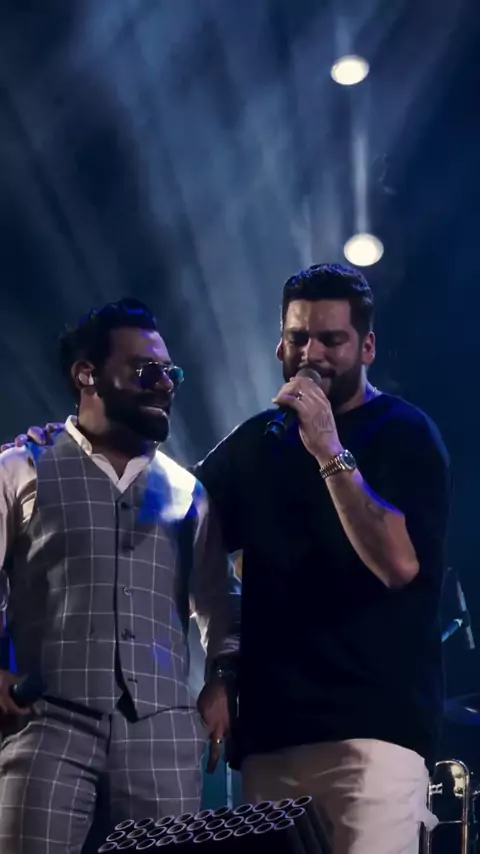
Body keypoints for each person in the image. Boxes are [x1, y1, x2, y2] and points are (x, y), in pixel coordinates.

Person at [7, 265, 451, 854]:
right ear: (280, 345)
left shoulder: (404, 432)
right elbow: (164, 513)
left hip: (372, 737)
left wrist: (328, 446)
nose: (311, 354)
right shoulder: (257, 442)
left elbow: (399, 564)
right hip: (269, 741)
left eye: (332, 339)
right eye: (298, 338)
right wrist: (63, 447)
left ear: (366, 347)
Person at [0, 298, 241, 854]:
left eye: (170, 372)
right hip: (45, 726)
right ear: (87, 374)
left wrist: (223, 679)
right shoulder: (22, 466)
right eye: (146, 371)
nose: (165, 384)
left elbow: (220, 600)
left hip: (163, 735)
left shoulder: (188, 492)